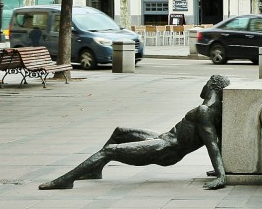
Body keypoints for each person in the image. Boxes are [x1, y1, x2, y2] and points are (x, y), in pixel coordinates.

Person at [39, 75, 231, 191]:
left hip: (166, 149)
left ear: (210, 85)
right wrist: (219, 168)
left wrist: (220, 176)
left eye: (206, 83)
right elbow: (219, 139)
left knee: (110, 150)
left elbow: (211, 143)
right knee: (120, 132)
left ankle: (66, 180)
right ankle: (96, 170)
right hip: (163, 138)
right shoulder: (215, 109)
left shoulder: (205, 111)